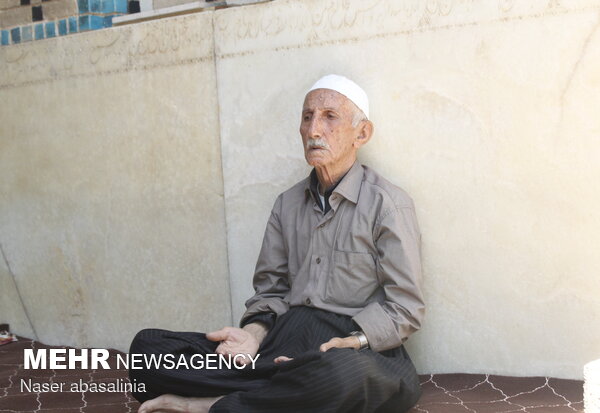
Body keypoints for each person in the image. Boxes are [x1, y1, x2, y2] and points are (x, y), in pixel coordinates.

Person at [129, 74, 425, 413]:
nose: (314, 130)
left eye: (330, 116)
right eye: (307, 117)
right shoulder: (287, 204)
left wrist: (351, 341)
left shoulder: (388, 204)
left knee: (342, 376)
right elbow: (270, 291)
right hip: (282, 341)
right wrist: (253, 336)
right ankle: (279, 393)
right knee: (147, 351)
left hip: (351, 347)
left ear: (362, 133)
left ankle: (208, 405)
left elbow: (405, 307)